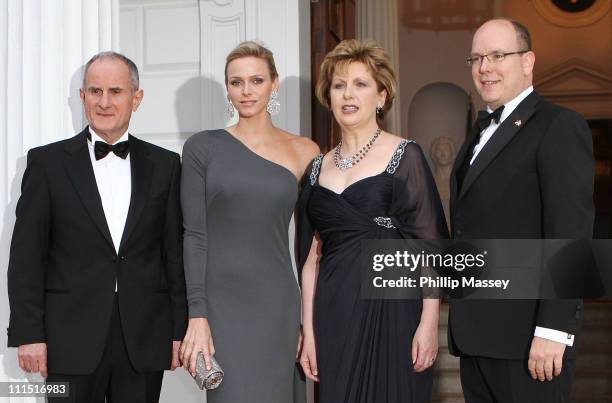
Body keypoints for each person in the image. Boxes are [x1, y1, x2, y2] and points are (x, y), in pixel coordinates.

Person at [7, 51, 186, 402]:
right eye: (95, 91)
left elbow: (174, 255)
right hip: (68, 337)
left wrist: (178, 329)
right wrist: (29, 333)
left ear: (137, 98)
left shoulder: (166, 166)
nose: (104, 102)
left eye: (115, 91)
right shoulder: (47, 163)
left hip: (144, 337)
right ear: (82, 96)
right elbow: (26, 255)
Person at [448, 19, 594, 402]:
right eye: (477, 57)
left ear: (528, 61)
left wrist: (553, 329)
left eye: (498, 55)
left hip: (529, 340)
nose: (485, 67)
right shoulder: (477, 134)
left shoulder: (559, 126)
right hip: (477, 336)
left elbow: (571, 236)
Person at [297, 39, 448, 403]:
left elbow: (430, 250)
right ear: (328, 96)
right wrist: (310, 332)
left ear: (381, 96)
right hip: (334, 309)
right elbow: (311, 259)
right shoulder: (316, 167)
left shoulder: (405, 155)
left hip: (393, 307)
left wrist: (428, 324)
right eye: (338, 85)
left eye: (360, 84)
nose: (348, 94)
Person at [179, 41, 319, 403]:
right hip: (221, 307)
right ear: (227, 88)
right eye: (236, 82)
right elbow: (194, 235)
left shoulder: (305, 152)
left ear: (275, 84)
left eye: (256, 80)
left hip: (277, 304)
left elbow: (312, 246)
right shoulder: (202, 148)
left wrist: (308, 320)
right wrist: (198, 314)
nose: (246, 91)